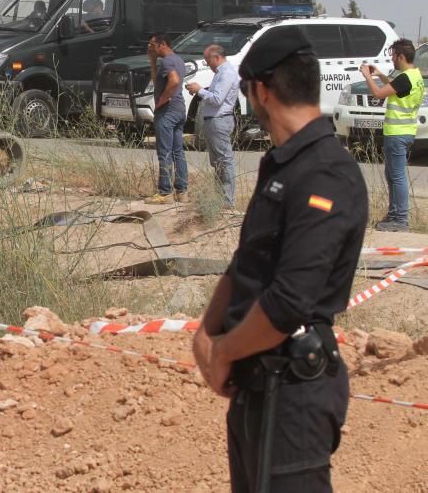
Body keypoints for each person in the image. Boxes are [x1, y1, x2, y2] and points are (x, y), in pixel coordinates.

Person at [192, 25, 367, 492]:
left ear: (262, 91)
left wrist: (223, 350)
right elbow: (246, 261)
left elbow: (290, 301)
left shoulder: (326, 173)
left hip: (294, 391)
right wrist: (205, 333)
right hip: (256, 383)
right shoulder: (282, 164)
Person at [360, 38, 424, 232]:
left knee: (397, 176)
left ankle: (400, 219)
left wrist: (367, 77)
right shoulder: (413, 76)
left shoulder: (406, 78)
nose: (392, 59)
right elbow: (396, 89)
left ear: (401, 56)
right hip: (402, 132)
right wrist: (379, 74)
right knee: (392, 174)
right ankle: (394, 215)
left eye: (394, 56)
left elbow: (379, 94)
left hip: (398, 133)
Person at [186, 44, 240, 207]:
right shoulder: (220, 73)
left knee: (224, 161)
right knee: (217, 162)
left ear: (216, 57)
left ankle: (227, 201)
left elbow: (217, 99)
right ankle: (220, 198)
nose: (206, 63)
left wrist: (200, 90)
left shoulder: (227, 73)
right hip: (213, 121)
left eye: (207, 60)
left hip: (220, 120)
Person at [144, 33, 189, 204]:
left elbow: (174, 81)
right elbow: (158, 82)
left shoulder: (168, 61)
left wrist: (162, 100)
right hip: (179, 110)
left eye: (152, 45)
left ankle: (165, 193)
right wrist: (152, 62)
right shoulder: (178, 60)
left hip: (168, 112)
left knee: (164, 152)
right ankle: (182, 192)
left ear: (162, 44)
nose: (150, 48)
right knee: (178, 151)